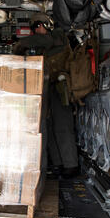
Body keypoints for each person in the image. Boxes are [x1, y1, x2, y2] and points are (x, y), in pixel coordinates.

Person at [14, 12, 79, 178]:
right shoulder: (44, 47)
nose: (37, 30)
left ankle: (70, 165)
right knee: (48, 126)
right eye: (34, 27)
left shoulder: (57, 36)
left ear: (47, 25)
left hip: (60, 86)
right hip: (48, 87)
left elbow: (44, 40)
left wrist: (20, 44)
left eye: (38, 26)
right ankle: (57, 164)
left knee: (63, 125)